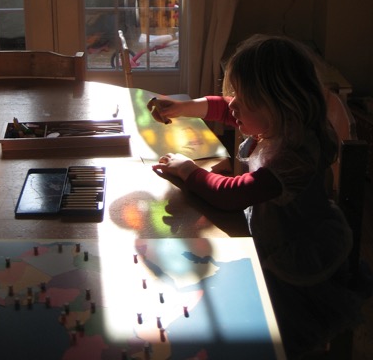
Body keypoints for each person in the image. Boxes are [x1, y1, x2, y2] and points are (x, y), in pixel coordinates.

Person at [148, 34, 360, 359]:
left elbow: (232, 195)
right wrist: (183, 107)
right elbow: (225, 108)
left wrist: (188, 170)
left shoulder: (295, 157)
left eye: (243, 99)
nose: (233, 104)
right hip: (273, 228)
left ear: (278, 105)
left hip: (290, 254)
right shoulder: (278, 122)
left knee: (268, 334)